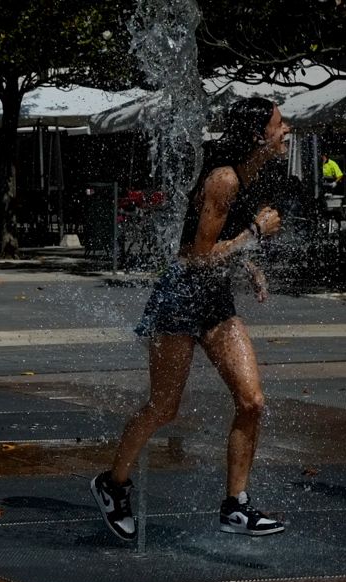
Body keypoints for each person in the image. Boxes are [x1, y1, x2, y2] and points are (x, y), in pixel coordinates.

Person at [91, 97, 290, 542]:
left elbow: (221, 248)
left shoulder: (253, 174)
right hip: (180, 298)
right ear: (259, 133)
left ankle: (235, 506)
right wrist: (254, 236)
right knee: (164, 407)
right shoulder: (224, 179)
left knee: (252, 401)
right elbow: (198, 256)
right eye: (280, 123)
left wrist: (249, 267)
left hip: (215, 300)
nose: (286, 129)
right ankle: (113, 484)